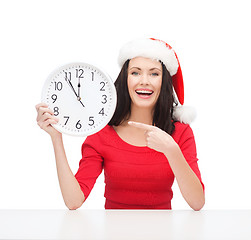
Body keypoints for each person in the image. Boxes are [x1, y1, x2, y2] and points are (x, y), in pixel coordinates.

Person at [36, 38, 205, 210]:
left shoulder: (181, 132)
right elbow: (74, 201)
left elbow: (197, 203)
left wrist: (172, 150)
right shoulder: (102, 132)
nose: (144, 81)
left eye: (154, 73)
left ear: (164, 82)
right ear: (125, 78)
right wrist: (56, 137)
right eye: (135, 73)